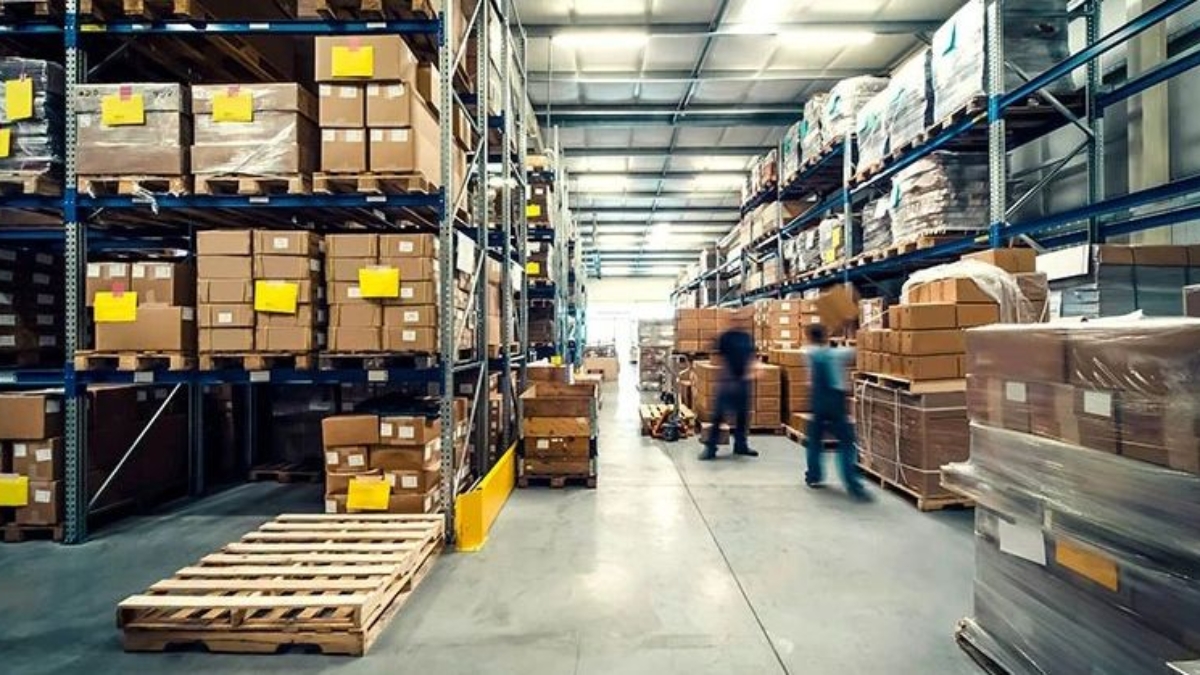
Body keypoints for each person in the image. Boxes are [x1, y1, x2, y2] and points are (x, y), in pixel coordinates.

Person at [803, 323, 870, 500]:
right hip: (835, 403)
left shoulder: (808, 353)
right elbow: (854, 350)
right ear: (825, 337)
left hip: (817, 403)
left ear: (809, 338)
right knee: (847, 442)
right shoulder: (837, 354)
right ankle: (852, 483)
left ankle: (814, 476)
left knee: (814, 441)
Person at [699, 327, 758, 460]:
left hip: (743, 382)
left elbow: (752, 357)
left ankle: (741, 446)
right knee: (719, 416)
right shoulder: (726, 336)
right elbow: (718, 357)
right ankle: (711, 448)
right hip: (728, 381)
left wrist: (752, 371)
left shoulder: (747, 337)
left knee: (742, 417)